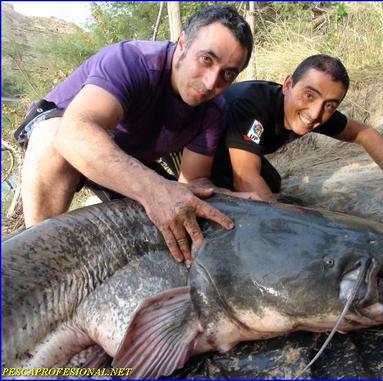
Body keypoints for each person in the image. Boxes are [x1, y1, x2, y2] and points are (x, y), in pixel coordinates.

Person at [16, 5, 254, 267]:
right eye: (207, 59)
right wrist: (155, 191)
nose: (211, 83)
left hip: (127, 156)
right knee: (53, 136)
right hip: (64, 140)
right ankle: (40, 263)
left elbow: (194, 180)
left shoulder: (214, 109)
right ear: (183, 43)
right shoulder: (132, 60)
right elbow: (72, 135)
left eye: (228, 73)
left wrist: (227, 199)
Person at [205, 54, 383, 204]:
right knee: (242, 196)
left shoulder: (318, 110)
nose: (315, 113)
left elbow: (366, 134)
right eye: (309, 95)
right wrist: (291, 223)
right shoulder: (253, 105)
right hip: (195, 150)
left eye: (329, 105)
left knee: (273, 184)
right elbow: (244, 177)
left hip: (233, 150)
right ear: (288, 85)